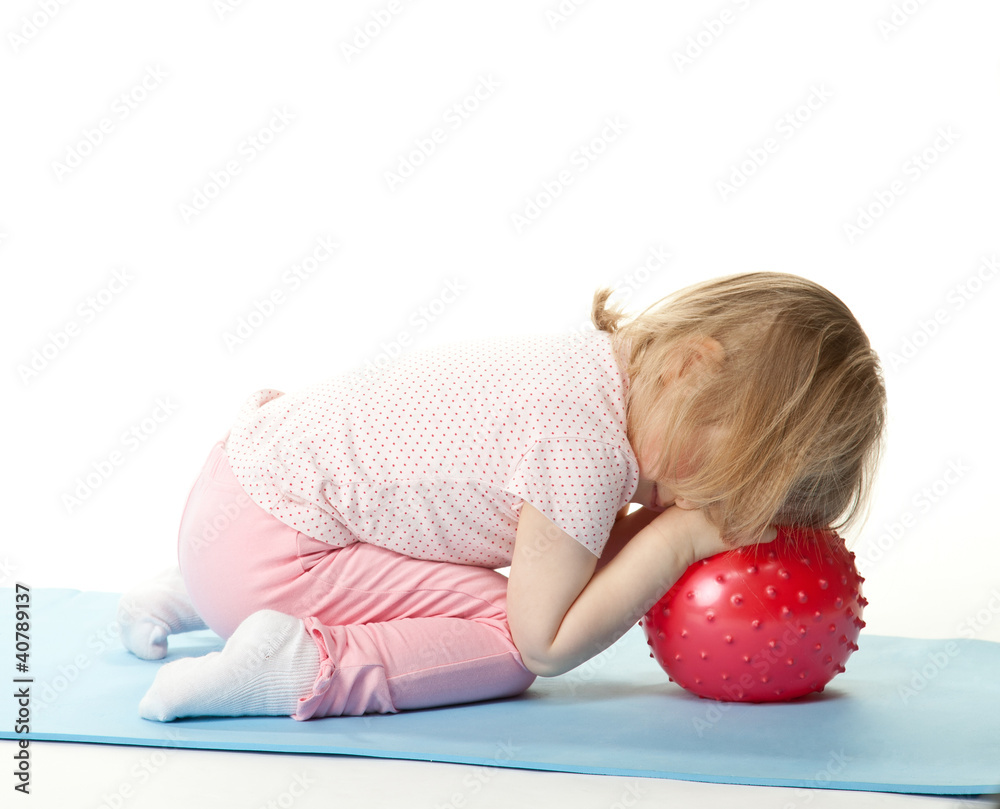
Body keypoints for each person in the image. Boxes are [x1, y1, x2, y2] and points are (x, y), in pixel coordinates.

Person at [117, 271, 887, 721]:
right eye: (726, 480)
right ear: (690, 368)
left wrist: (658, 522)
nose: (708, 502)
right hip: (270, 556)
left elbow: (574, 563)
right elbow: (547, 640)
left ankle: (191, 586)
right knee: (502, 642)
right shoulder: (583, 445)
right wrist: (677, 540)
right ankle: (294, 661)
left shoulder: (588, 375)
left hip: (233, 502)